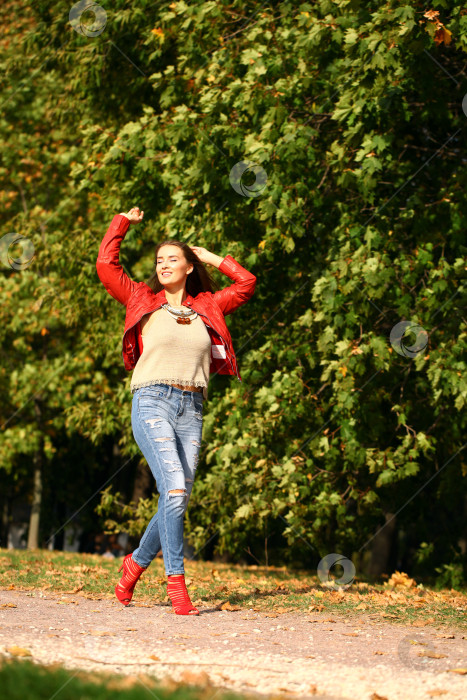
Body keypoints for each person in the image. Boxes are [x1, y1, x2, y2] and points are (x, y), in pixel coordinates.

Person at [96, 206, 256, 615]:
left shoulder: (208, 306)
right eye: (159, 260)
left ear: (187, 267)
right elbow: (105, 264)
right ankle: (177, 585)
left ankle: (133, 566)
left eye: (173, 259)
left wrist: (212, 258)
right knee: (177, 490)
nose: (163, 265)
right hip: (152, 400)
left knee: (175, 497)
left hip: (192, 408)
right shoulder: (141, 298)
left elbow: (247, 282)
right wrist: (123, 224)